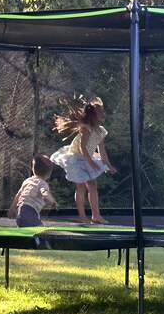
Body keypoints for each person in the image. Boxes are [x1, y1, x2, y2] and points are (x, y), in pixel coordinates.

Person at [49, 96, 118, 224]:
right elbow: (83, 148)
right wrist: (91, 163)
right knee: (81, 187)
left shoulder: (101, 131)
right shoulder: (86, 128)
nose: (103, 114)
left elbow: (101, 149)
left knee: (92, 185)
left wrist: (108, 165)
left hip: (88, 158)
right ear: (93, 115)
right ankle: (82, 216)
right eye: (100, 112)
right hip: (76, 158)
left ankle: (96, 216)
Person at [8, 155, 58, 227]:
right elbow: (44, 192)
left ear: (33, 169)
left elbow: (18, 195)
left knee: (26, 230)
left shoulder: (27, 181)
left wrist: (12, 209)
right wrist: (52, 201)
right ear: (49, 174)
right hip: (30, 213)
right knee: (40, 231)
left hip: (19, 213)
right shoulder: (42, 183)